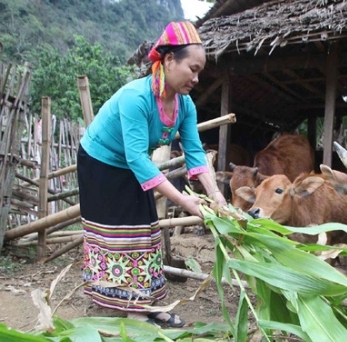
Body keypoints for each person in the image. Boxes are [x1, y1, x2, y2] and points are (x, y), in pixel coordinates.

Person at [77, 21, 227, 328]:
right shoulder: (137, 98)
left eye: (200, 71)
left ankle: (141, 304)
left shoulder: (184, 106)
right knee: (117, 234)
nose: (197, 78)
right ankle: (132, 309)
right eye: (192, 69)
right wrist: (187, 203)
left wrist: (216, 196)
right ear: (169, 60)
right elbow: (136, 157)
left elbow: (196, 153)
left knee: (145, 231)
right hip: (100, 163)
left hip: (131, 165)